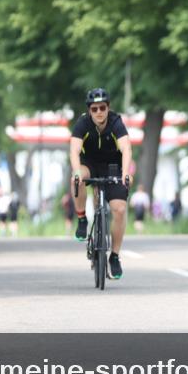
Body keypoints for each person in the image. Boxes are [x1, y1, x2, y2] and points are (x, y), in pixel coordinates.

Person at [69, 88, 132, 280]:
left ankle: (114, 256)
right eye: (94, 108)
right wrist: (77, 171)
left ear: (108, 107)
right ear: (89, 110)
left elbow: (126, 148)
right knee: (77, 179)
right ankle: (81, 219)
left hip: (113, 166)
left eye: (102, 108)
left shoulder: (116, 123)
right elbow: (74, 150)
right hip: (89, 164)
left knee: (119, 209)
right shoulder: (82, 123)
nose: (99, 112)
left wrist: (126, 173)